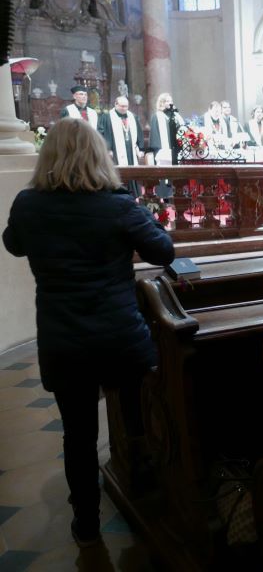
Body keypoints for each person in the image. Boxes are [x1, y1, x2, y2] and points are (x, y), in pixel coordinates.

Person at [2, 117, 174, 548]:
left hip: (64, 341)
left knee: (78, 435)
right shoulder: (117, 204)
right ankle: (144, 489)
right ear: (99, 155)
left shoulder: (28, 204)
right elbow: (163, 251)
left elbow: (13, 243)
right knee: (136, 414)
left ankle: (87, 523)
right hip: (119, 335)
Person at [98, 96, 144, 166]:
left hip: (131, 151)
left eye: (126, 106)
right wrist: (107, 149)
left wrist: (140, 149)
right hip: (114, 152)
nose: (124, 108)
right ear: (116, 104)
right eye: (122, 106)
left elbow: (139, 134)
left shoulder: (132, 117)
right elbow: (101, 134)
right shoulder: (107, 117)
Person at [148, 92, 184, 162]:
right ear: (161, 103)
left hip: (177, 148)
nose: (170, 103)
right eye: (167, 101)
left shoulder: (176, 116)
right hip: (163, 150)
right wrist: (158, 150)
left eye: (171, 101)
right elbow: (154, 136)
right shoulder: (157, 116)